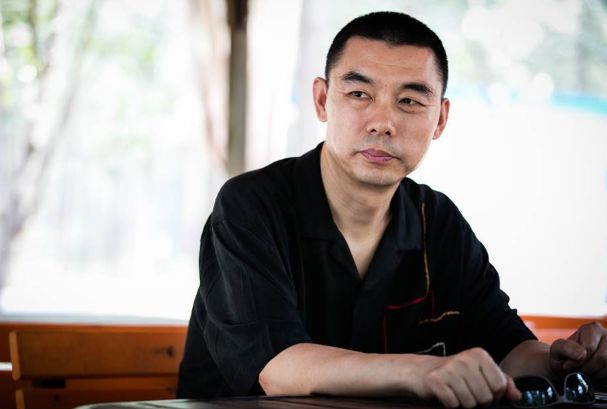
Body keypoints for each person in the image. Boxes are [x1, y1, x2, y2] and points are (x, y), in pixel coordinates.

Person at [177, 11, 607, 408]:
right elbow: (279, 368)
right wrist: (422, 371)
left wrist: (567, 360)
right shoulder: (251, 205)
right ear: (322, 100)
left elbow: (510, 351)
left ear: (440, 119)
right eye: (359, 93)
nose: (383, 122)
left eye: (409, 101)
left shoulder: (439, 222)